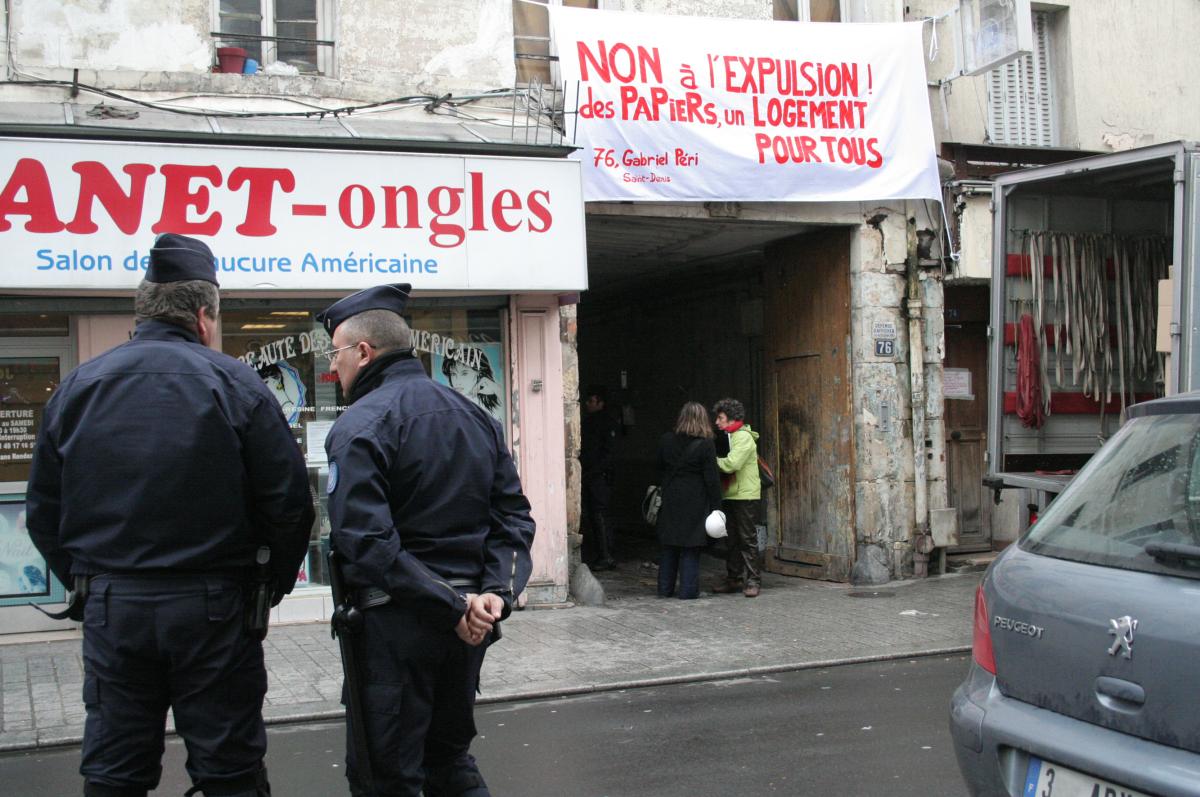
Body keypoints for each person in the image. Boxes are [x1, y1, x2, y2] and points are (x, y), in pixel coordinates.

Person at [24, 233, 315, 797]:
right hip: (213, 607)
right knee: (229, 770)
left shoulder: (79, 387)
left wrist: (88, 585)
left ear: (143, 307)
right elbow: (289, 504)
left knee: (115, 771)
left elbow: (43, 511)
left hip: (115, 606)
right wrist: (266, 587)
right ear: (204, 315)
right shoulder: (236, 385)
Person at [317, 283, 536, 797]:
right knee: (448, 761)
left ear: (364, 352)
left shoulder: (362, 425)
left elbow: (366, 542)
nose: (334, 368)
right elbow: (514, 521)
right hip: (466, 631)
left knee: (388, 775)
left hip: (398, 628)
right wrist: (490, 596)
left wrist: (453, 606)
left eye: (337, 355)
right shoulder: (477, 418)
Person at [654, 402, 722, 599]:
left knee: (669, 545)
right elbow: (712, 479)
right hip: (695, 499)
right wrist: (717, 506)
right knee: (691, 546)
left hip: (671, 497)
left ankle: (664, 589)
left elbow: (658, 467)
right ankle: (688, 591)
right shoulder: (706, 444)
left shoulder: (666, 439)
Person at [711, 397, 763, 597]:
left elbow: (732, 464)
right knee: (731, 539)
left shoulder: (742, 437)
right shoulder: (729, 437)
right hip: (732, 494)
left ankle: (753, 581)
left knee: (747, 539)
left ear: (731, 418)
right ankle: (734, 578)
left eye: (720, 418)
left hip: (745, 495)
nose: (717, 422)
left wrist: (709, 460)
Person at [580, 385, 618, 570]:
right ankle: (603, 553)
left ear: (600, 403)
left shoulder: (604, 423)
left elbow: (607, 452)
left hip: (598, 475)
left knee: (599, 513)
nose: (588, 404)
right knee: (596, 514)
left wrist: (594, 472)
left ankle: (606, 554)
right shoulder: (592, 422)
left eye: (591, 401)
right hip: (594, 473)